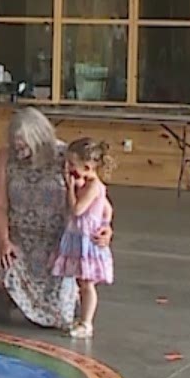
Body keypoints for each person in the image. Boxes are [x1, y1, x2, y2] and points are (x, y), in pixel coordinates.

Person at [0, 108, 114, 329]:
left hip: (58, 245)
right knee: (3, 268)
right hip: (20, 240)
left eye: (25, 145)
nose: (21, 151)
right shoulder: (6, 156)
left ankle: (66, 299)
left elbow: (97, 197)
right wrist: (3, 240)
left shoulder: (67, 157)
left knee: (58, 319)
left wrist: (106, 227)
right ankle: (5, 298)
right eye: (17, 145)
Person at [54, 137, 117, 339]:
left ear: (88, 166)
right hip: (77, 236)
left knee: (87, 284)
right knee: (80, 282)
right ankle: (80, 318)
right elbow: (108, 208)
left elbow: (77, 209)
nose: (69, 169)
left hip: (86, 240)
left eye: (73, 165)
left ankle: (86, 322)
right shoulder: (88, 183)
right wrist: (106, 223)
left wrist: (70, 188)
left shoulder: (93, 186)